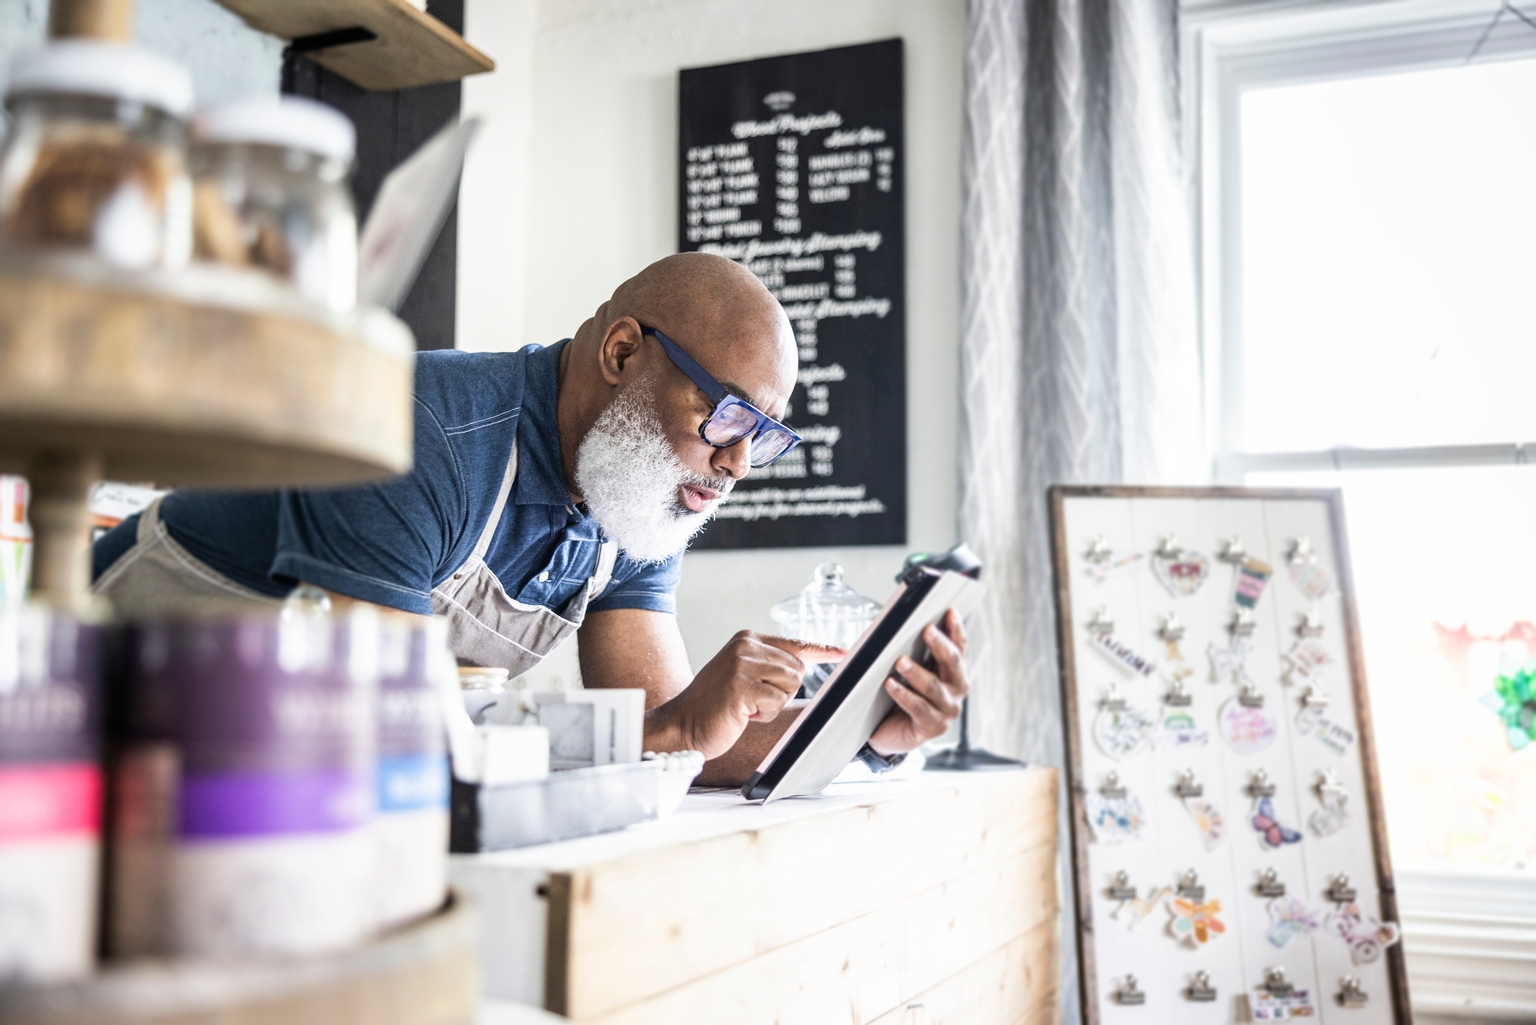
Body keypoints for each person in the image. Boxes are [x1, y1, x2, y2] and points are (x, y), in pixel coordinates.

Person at [91, 253, 969, 783]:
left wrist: (867, 730)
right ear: (624, 352)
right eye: (728, 416)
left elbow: (676, 738)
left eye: (764, 437)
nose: (737, 464)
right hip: (109, 699)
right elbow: (392, 745)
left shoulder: (632, 500)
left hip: (257, 760)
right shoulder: (420, 430)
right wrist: (659, 734)